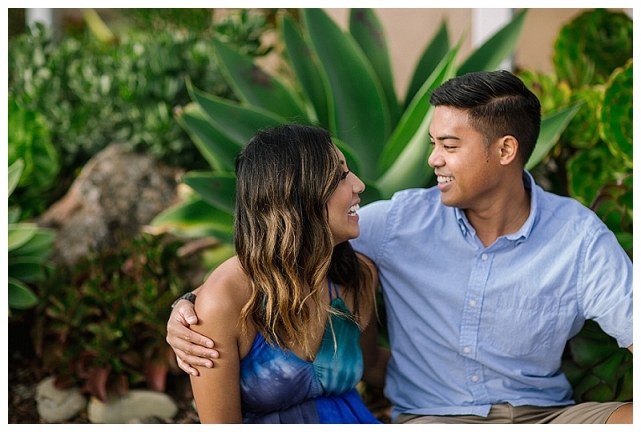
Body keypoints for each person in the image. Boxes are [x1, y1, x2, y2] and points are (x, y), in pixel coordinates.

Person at [166, 71, 632, 424]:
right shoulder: (400, 221)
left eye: (448, 145)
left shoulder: (579, 238)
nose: (432, 159)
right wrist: (191, 308)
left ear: (506, 150)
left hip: (544, 416)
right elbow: (284, 249)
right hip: (432, 419)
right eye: (432, 143)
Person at [177, 124, 388, 423]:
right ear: (295, 195)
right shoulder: (225, 299)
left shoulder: (358, 275)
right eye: (340, 177)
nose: (358, 185)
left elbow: (373, 366)